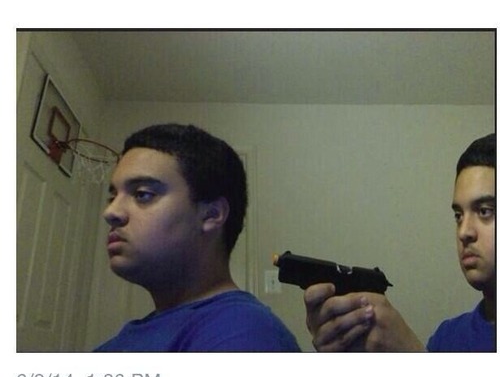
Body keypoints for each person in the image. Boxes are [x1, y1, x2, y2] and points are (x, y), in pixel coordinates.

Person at [95, 123, 300, 352]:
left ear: (211, 215)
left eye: (142, 194)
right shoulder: (128, 339)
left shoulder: (244, 332)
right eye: (112, 197)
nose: (111, 212)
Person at [304, 133, 496, 352]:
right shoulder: (447, 337)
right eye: (458, 216)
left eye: (485, 211)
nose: (464, 232)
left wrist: (412, 353)